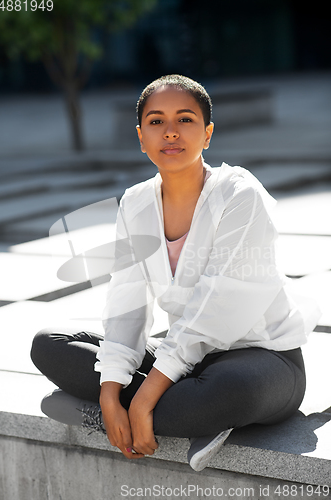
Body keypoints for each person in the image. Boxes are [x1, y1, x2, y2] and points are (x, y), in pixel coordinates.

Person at [31, 74, 320, 472]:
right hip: (184, 358)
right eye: (156, 122)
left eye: (185, 120)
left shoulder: (239, 194)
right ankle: (150, 414)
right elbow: (127, 304)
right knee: (48, 344)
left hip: (263, 360)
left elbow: (218, 308)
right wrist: (110, 393)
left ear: (207, 134)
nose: (170, 132)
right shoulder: (135, 203)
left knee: (218, 395)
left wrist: (147, 394)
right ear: (140, 136)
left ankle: (142, 416)